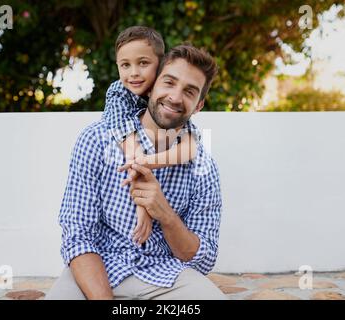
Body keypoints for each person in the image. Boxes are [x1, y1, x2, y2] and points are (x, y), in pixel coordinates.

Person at [46, 43, 226, 300]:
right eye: (169, 82)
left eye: (189, 91)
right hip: (98, 268)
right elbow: (78, 237)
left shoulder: (202, 166)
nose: (175, 97)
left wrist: (165, 214)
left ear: (198, 106)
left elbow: (202, 259)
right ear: (151, 85)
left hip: (166, 274)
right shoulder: (96, 140)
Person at [103, 26, 201, 246]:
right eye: (125, 65)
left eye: (143, 63)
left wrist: (148, 163)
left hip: (143, 163)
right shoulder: (119, 93)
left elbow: (191, 146)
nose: (134, 73)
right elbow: (131, 148)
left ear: (161, 65)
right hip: (133, 160)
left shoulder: (168, 98)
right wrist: (143, 207)